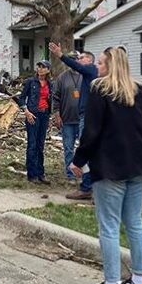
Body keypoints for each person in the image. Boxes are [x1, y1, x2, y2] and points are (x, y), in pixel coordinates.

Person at [70, 47, 142, 284]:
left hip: (110, 165)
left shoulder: (100, 90)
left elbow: (91, 131)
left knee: (109, 226)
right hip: (139, 164)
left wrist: (78, 160)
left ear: (111, 66)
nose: (98, 67)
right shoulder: (140, 90)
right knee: (134, 223)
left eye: (101, 63)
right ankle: (138, 282)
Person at [48, 42, 98, 200]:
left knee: (85, 149)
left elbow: (75, 66)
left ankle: (86, 187)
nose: (78, 60)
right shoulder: (73, 77)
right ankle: (87, 183)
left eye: (81, 58)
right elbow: (55, 97)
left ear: (89, 60)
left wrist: (60, 55)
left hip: (86, 116)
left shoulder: (90, 69)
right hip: (75, 117)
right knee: (80, 149)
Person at [18, 60, 53, 184]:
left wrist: (50, 114)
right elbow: (21, 98)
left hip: (44, 115)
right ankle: (31, 174)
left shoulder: (50, 83)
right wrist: (26, 111)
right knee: (32, 145)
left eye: (43, 67)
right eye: (39, 66)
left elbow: (51, 100)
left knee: (40, 145)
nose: (40, 69)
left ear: (48, 70)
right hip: (32, 114)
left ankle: (40, 173)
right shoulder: (30, 82)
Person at [52, 54, 83, 181]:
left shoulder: (84, 75)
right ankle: (70, 174)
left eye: (75, 59)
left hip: (82, 119)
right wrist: (56, 114)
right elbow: (55, 97)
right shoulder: (62, 77)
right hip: (67, 119)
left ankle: (83, 174)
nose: (73, 61)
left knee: (83, 149)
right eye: (71, 59)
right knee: (69, 148)